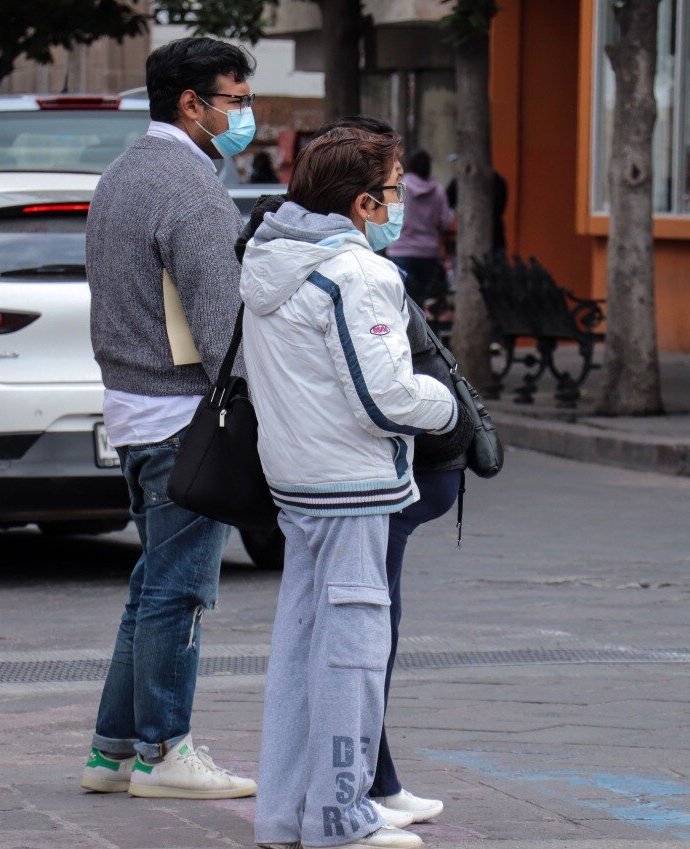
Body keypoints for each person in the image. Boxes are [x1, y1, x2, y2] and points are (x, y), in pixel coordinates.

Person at [236, 119, 472, 831]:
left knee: (301, 656)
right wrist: (447, 404)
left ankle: (287, 817)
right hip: (351, 486)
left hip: (296, 480)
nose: (399, 203)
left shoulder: (268, 259)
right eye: (393, 190)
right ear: (363, 203)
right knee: (352, 656)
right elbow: (387, 397)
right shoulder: (358, 274)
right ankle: (340, 817)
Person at [80, 36, 259, 801]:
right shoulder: (191, 190)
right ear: (192, 103)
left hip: (132, 409)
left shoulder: (121, 175)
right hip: (184, 416)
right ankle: (163, 751)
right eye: (237, 100)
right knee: (178, 592)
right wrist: (254, 411)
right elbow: (222, 329)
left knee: (152, 584)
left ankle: (113, 751)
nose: (245, 115)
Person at [387, 150, 453, 307]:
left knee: (401, 302)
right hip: (428, 253)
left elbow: (387, 213)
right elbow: (446, 221)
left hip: (400, 250)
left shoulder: (400, 187)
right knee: (424, 302)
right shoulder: (438, 190)